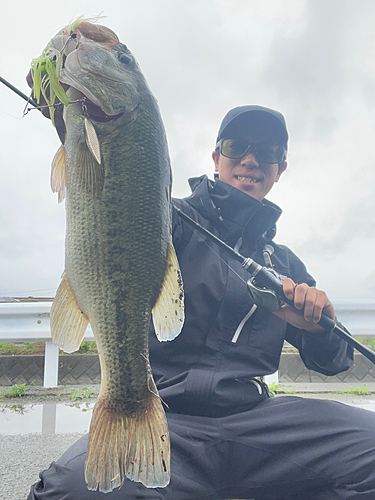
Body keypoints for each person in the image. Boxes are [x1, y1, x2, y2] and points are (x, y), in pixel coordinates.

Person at [27, 106, 375, 500]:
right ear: (216, 158)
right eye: (236, 146)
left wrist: (320, 327)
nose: (250, 159)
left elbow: (333, 362)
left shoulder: (285, 264)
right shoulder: (165, 218)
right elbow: (114, 196)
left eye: (267, 152)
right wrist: (81, 131)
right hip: (161, 414)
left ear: (280, 168)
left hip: (257, 421)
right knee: (73, 490)